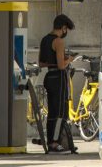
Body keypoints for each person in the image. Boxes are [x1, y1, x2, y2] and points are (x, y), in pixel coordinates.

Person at [38, 14, 75, 153]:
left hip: (49, 76)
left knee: (52, 111)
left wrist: (56, 60)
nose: (66, 33)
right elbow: (61, 65)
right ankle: (55, 143)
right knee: (61, 112)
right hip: (59, 78)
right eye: (66, 30)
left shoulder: (44, 40)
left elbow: (41, 63)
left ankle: (50, 141)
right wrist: (69, 59)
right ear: (63, 28)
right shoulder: (59, 41)